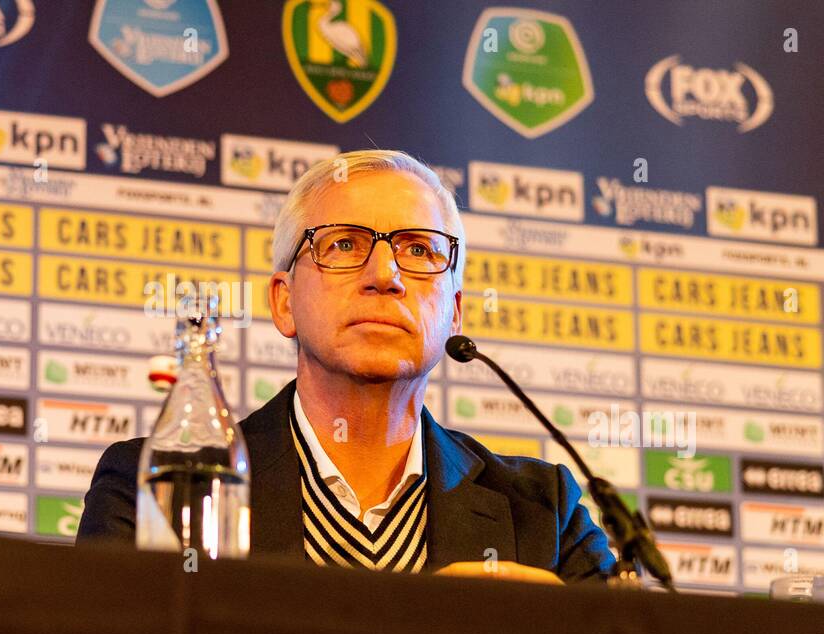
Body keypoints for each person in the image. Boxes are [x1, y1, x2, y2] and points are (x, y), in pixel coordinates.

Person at [76, 149, 614, 584]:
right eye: (344, 244)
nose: (386, 275)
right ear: (284, 302)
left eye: (420, 251)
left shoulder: (544, 513)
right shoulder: (165, 487)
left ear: (454, 311)